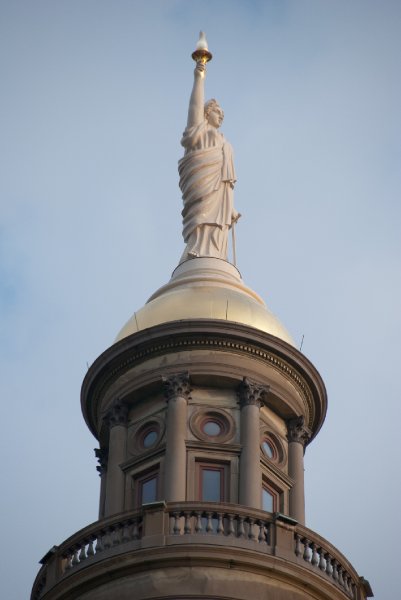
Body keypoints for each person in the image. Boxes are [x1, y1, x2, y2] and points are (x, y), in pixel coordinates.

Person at [178, 61, 240, 263]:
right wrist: (199, 79)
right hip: (202, 184)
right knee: (201, 217)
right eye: (217, 111)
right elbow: (194, 107)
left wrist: (230, 208)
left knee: (216, 228)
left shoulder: (225, 142)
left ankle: (215, 255)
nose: (221, 115)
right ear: (206, 113)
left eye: (222, 113)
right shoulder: (199, 133)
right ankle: (197, 250)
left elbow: (227, 182)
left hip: (220, 196)